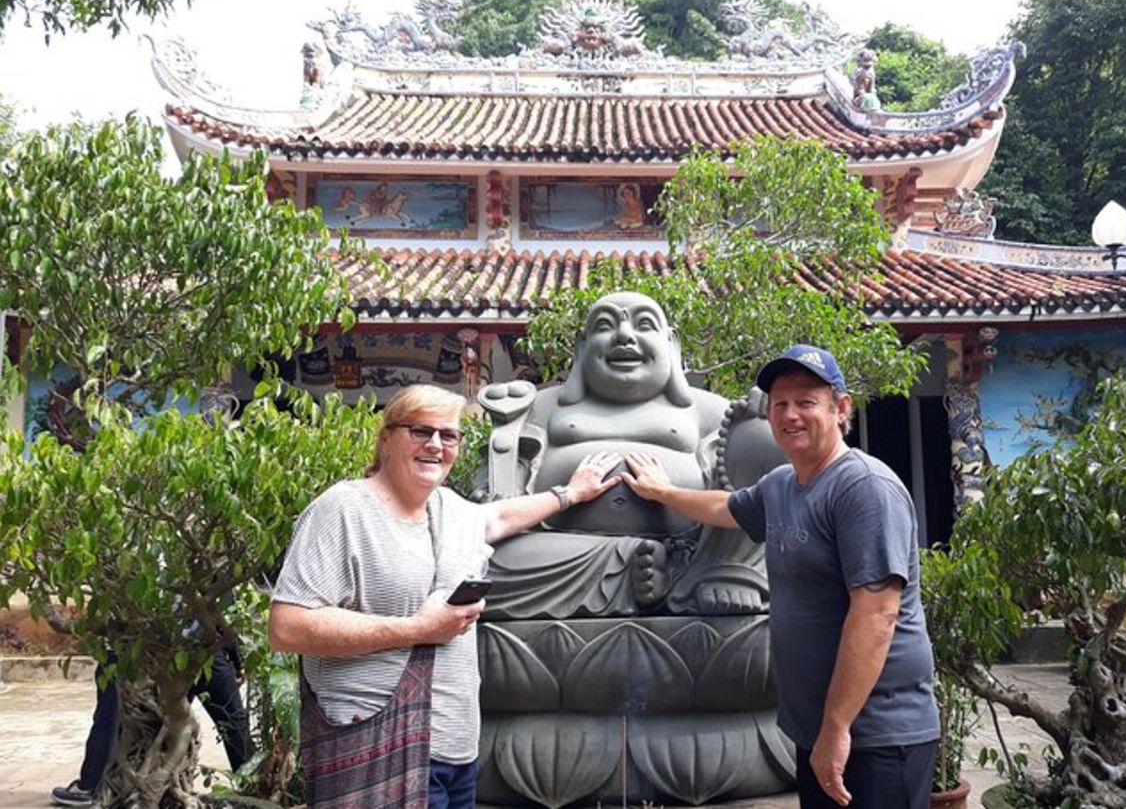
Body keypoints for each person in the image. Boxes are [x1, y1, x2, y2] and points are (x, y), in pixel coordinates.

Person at [268, 384, 620, 809]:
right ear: (386, 439)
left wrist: (570, 494)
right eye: (420, 431)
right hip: (374, 740)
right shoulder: (344, 510)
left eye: (448, 435)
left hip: (454, 746)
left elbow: (499, 516)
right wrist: (416, 629)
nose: (435, 445)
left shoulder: (452, 511)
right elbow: (287, 626)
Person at [622, 344, 940, 809]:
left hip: (875, 733)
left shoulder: (863, 488)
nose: (790, 415)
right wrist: (662, 491)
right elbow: (724, 508)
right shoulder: (782, 486)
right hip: (817, 728)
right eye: (780, 404)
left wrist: (836, 730)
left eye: (806, 402)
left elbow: (877, 616)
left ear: (841, 409)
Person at [51, 644, 252, 807]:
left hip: (148, 646)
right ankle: (255, 787)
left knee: (123, 717)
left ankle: (92, 786)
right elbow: (221, 605)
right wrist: (234, 656)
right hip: (202, 646)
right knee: (229, 721)